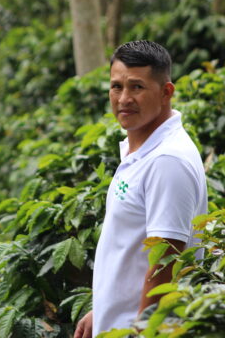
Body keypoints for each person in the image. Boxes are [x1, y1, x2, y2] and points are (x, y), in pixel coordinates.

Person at [74, 41, 207, 338]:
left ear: (166, 92)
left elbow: (165, 262)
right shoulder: (143, 150)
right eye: (116, 86)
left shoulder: (166, 161)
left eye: (137, 87)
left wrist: (140, 332)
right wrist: (104, 309)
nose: (124, 98)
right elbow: (131, 247)